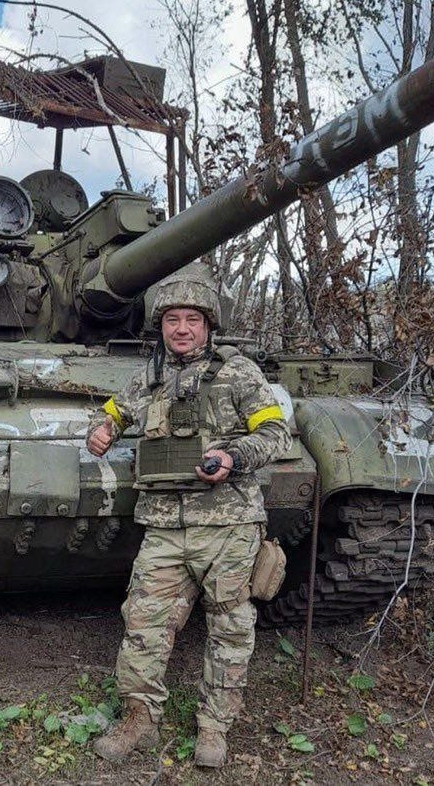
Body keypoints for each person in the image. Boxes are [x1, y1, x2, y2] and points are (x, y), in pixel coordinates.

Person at [86, 263, 292, 768]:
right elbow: (114, 412)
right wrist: (102, 429)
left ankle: (214, 728)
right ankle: (139, 719)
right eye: (172, 319)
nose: (182, 329)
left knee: (230, 625)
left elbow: (275, 434)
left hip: (229, 525)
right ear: (160, 326)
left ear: (208, 325)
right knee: (143, 621)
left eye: (192, 319)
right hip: (165, 525)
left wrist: (233, 458)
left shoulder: (238, 372)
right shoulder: (149, 377)